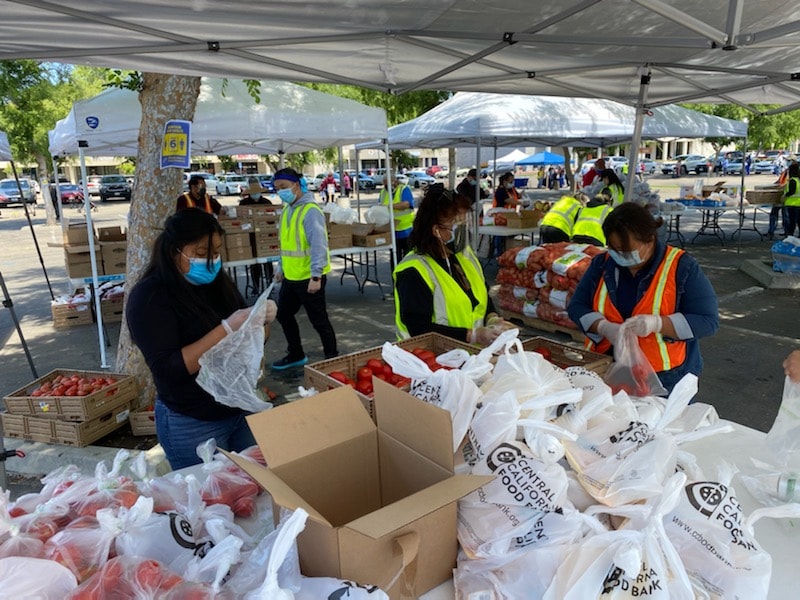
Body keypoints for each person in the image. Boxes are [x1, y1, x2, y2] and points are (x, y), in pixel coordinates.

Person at [126, 208, 277, 470]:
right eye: (201, 253)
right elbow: (168, 368)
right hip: (192, 420)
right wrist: (226, 329)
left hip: (239, 408)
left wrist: (260, 323)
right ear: (175, 250)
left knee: (257, 488)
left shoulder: (219, 284)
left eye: (217, 252)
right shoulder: (149, 297)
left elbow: (253, 343)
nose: (211, 261)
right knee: (209, 499)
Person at [567, 202, 719, 394]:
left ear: (649, 239)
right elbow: (577, 306)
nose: (620, 255)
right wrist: (604, 327)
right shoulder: (602, 265)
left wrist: (657, 324)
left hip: (665, 378)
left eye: (627, 249)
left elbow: (707, 321)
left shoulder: (682, 266)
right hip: (608, 367)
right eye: (614, 249)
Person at [393, 184, 513, 345]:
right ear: (435, 230)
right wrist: (472, 336)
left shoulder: (465, 256)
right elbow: (418, 328)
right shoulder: (413, 271)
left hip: (470, 358)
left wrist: (492, 318)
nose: (464, 231)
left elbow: (482, 295)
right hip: (431, 360)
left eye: (465, 225)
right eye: (457, 226)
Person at [272, 167, 338, 369]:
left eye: (283, 187)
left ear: (296, 185)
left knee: (319, 321)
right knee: (283, 314)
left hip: (309, 277)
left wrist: (316, 276)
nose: (280, 191)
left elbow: (319, 244)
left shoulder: (310, 210)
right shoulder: (287, 209)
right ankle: (296, 354)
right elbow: (286, 243)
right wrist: (281, 267)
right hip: (292, 276)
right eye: (276, 188)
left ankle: (332, 359)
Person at [380, 172, 416, 262]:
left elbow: (406, 204)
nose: (386, 187)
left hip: (406, 229)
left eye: (387, 184)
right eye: (384, 185)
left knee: (408, 257)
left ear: (394, 181)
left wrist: (389, 206)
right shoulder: (383, 192)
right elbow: (380, 205)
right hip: (392, 230)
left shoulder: (404, 189)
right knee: (395, 258)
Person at [492, 171, 523, 258]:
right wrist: (521, 203)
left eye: (512, 181)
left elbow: (517, 196)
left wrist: (521, 196)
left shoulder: (511, 189)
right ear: (504, 181)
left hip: (510, 215)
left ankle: (507, 251)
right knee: (499, 235)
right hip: (500, 215)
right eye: (510, 181)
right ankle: (499, 253)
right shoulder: (500, 191)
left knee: (509, 235)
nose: (512, 183)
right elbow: (508, 200)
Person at [781, 161, 800, 238]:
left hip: (792, 203)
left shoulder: (793, 180)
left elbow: (792, 191)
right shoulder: (798, 180)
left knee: (792, 221)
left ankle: (790, 235)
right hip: (798, 203)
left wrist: (784, 196)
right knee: (798, 221)